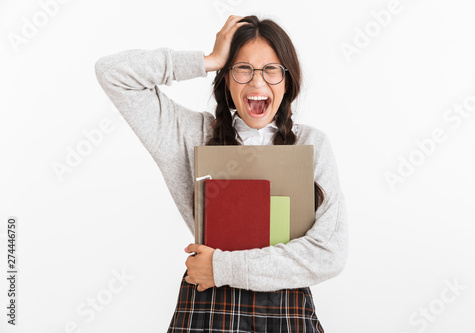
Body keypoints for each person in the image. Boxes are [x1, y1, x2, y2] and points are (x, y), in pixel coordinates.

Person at [95, 14, 348, 332]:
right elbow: (112, 73)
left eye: (271, 70)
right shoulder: (190, 135)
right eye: (243, 68)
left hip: (286, 310)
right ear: (226, 78)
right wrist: (207, 60)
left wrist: (221, 267)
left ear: (287, 80)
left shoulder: (313, 144)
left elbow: (329, 254)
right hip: (210, 310)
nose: (257, 82)